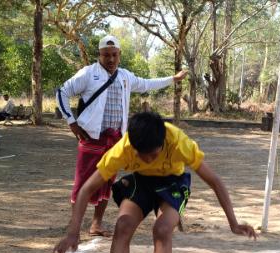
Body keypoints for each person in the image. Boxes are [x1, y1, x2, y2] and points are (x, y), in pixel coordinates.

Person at [54, 112, 257, 253]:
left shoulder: (178, 142)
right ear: (134, 147)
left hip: (173, 183)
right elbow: (86, 189)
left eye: (154, 154)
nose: (149, 160)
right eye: (143, 156)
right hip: (141, 182)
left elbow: (215, 181)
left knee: (162, 230)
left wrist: (233, 223)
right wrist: (73, 233)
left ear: (163, 143)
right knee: (122, 226)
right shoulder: (124, 148)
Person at [56, 34, 188, 237]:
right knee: (82, 181)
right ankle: (74, 225)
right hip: (91, 137)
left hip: (116, 139)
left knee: (107, 181)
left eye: (114, 54)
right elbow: (62, 92)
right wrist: (71, 122)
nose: (110, 59)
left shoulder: (125, 76)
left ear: (119, 54)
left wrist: (173, 79)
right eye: (106, 55)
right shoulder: (88, 73)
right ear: (99, 55)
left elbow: (147, 84)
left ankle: (96, 224)